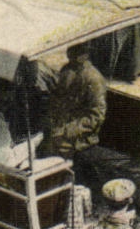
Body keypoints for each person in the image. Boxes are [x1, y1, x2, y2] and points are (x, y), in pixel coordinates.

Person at [43, 44, 129, 194]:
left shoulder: (93, 78)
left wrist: (67, 131)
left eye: (77, 52)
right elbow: (57, 100)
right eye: (70, 51)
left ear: (86, 55)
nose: (71, 55)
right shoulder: (67, 70)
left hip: (80, 140)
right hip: (60, 132)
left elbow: (96, 115)